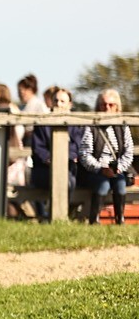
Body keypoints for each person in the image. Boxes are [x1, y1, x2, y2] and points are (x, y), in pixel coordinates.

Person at [80, 89, 133, 225]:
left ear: (117, 107)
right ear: (98, 107)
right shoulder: (91, 127)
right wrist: (100, 169)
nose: (107, 108)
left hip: (117, 169)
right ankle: (94, 220)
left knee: (120, 184)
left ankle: (120, 220)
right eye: (103, 105)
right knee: (103, 184)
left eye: (111, 105)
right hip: (95, 170)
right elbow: (85, 154)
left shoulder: (123, 127)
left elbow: (128, 152)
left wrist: (119, 168)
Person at [30, 87, 80, 222]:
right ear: (50, 103)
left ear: (70, 104)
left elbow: (77, 147)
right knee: (65, 180)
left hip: (68, 169)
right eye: (55, 100)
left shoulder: (76, 124)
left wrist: (62, 160)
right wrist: (51, 160)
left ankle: (60, 216)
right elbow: (38, 148)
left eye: (62, 101)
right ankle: (55, 216)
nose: (58, 104)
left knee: (69, 181)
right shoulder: (42, 123)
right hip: (44, 171)